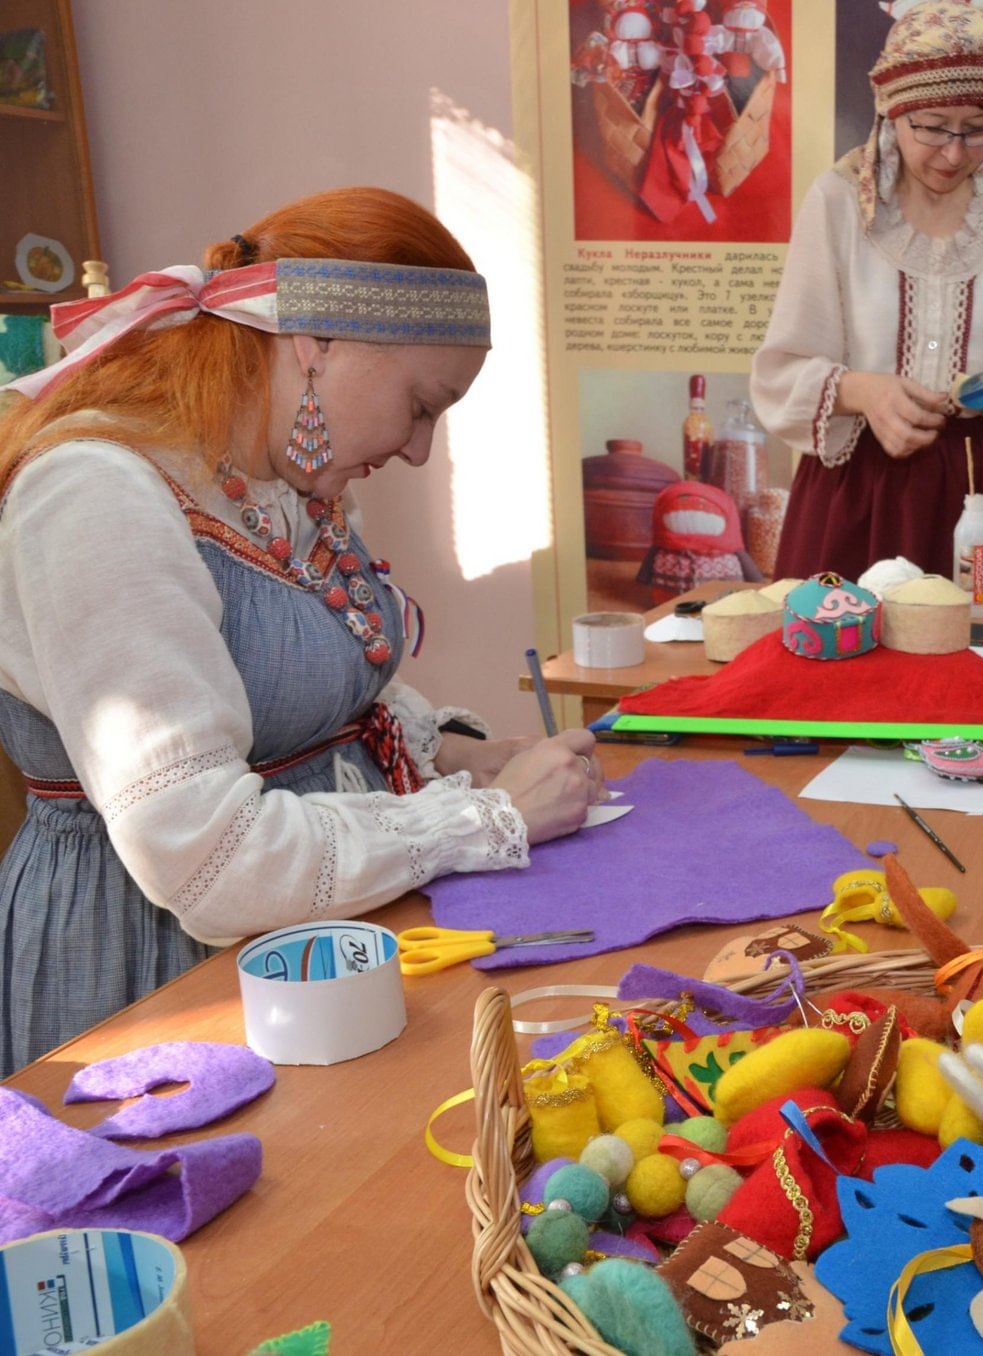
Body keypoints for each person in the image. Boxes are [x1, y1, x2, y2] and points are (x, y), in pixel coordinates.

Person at [0, 188, 604, 1075]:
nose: (419, 449)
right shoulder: (97, 500)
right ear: (316, 346)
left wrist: (443, 750)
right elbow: (209, 863)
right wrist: (489, 818)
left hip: (300, 944)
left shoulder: (274, 486)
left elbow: (324, 670)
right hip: (154, 975)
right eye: (423, 405)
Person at [750, 0, 983, 601]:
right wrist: (867, 391)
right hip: (856, 485)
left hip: (981, 490)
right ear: (890, 111)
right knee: (839, 673)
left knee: (980, 667)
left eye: (979, 127)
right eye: (931, 126)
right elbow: (781, 371)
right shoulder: (838, 202)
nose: (954, 153)